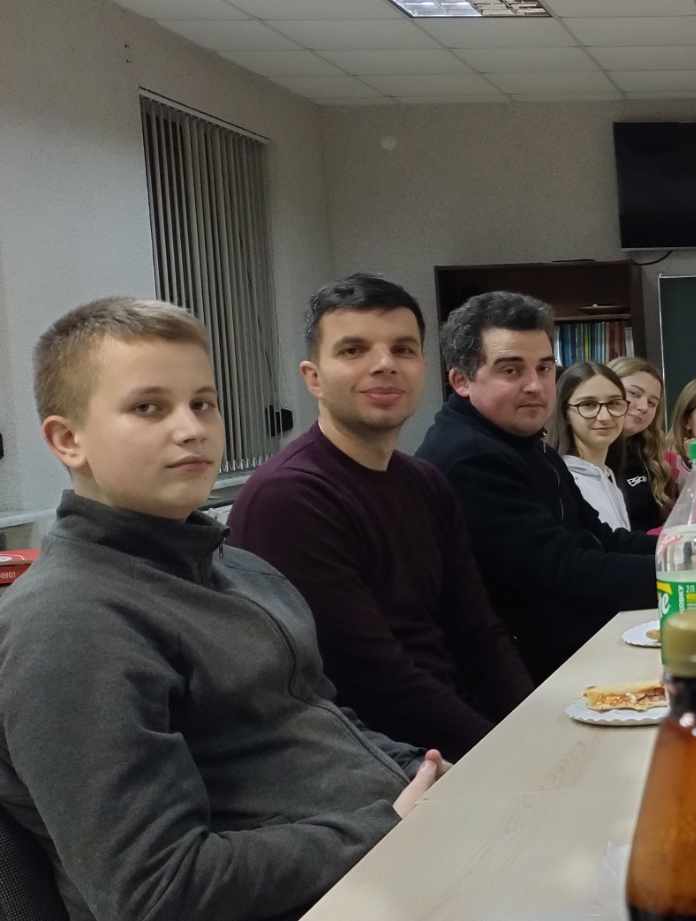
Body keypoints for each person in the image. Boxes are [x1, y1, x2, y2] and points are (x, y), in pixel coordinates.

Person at [0, 297, 442, 921]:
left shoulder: (238, 569)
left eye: (203, 403)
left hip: (390, 866)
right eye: (149, 408)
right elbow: (157, 892)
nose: (191, 429)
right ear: (68, 440)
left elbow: (322, 724)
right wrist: (386, 825)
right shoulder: (69, 625)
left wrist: (425, 775)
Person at [230, 274, 532, 761]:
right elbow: (373, 681)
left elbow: (479, 632)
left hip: (456, 736)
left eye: (403, 349)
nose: (385, 364)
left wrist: (533, 726)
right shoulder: (288, 498)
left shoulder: (425, 482)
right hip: (375, 765)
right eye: (353, 350)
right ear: (313, 377)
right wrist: (504, 756)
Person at [416, 291, 656, 678]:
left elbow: (600, 538)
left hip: (570, 652)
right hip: (523, 679)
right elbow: (562, 574)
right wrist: (692, 574)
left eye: (544, 368)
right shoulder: (468, 457)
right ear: (461, 380)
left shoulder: (527, 444)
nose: (535, 385)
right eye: (511, 370)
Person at [554, 362, 634, 533]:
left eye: (614, 403)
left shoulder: (609, 476)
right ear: (565, 412)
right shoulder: (561, 481)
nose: (605, 417)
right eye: (588, 404)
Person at [608, 356, 675, 531]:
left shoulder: (652, 454)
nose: (644, 407)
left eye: (652, 403)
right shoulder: (580, 457)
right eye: (634, 394)